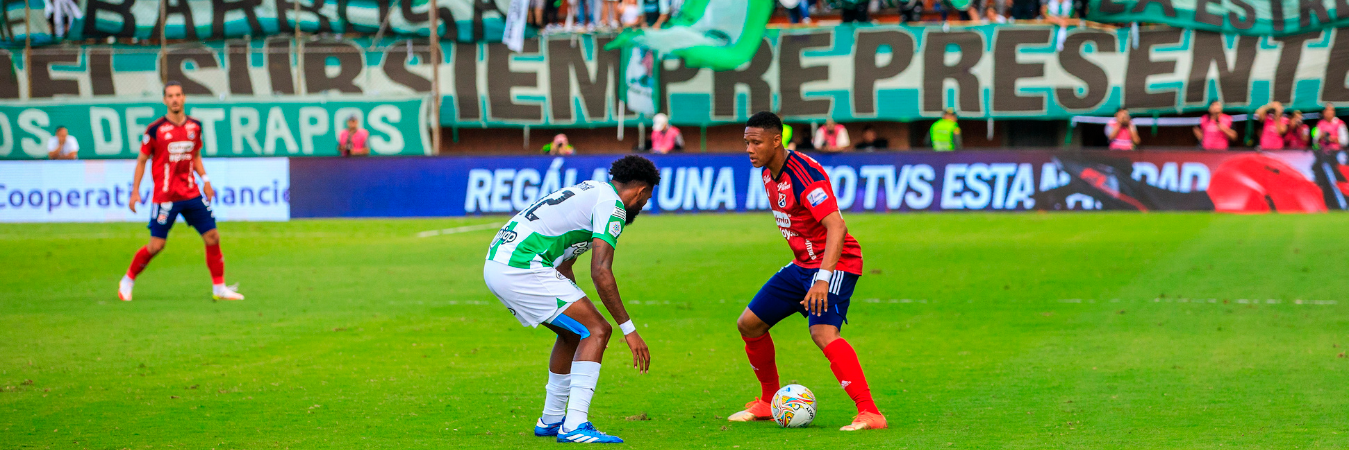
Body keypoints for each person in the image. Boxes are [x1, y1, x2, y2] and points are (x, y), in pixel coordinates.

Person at [483, 155, 659, 444]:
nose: (643, 205)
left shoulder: (591, 190)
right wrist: (630, 331)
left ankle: (551, 419)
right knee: (598, 330)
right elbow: (601, 272)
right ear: (640, 192)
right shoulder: (612, 206)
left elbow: (565, 266)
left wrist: (578, 307)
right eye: (646, 199)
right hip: (520, 265)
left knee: (574, 332)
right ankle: (575, 423)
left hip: (500, 262)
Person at [729, 111, 886, 431]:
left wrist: (822, 280)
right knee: (749, 324)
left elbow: (836, 228)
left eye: (756, 142)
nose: (749, 149)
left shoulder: (803, 174)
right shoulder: (766, 171)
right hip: (803, 264)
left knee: (822, 332)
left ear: (777, 141)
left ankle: (870, 412)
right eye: (747, 142)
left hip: (836, 263)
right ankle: (767, 400)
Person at [119, 81, 244, 302]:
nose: (175, 99)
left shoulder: (194, 127)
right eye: (170, 96)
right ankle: (128, 280)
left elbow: (195, 155)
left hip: (191, 193)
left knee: (213, 236)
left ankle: (219, 288)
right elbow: (142, 161)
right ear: (165, 100)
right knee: (157, 245)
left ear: (183, 98)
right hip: (166, 197)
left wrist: (205, 180)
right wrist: (135, 191)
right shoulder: (155, 129)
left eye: (178, 95)